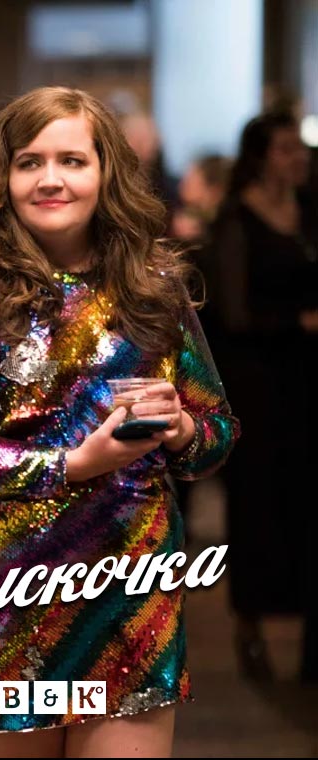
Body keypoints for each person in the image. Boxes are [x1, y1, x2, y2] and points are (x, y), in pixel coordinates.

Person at [0, 86, 240, 758]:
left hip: (128, 588)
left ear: (106, 172)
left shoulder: (151, 282)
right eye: (30, 162)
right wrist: (73, 465)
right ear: (3, 175)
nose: (50, 178)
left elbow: (216, 428)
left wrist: (182, 431)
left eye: (72, 160)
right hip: (1, 592)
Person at [208, 111, 318, 682]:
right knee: (259, 505)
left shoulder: (309, 208)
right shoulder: (237, 219)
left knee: (306, 505)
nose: (298, 158)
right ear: (259, 157)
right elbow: (234, 312)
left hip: (306, 379)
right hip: (259, 383)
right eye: (285, 149)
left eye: (299, 147)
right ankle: (249, 623)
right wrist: (299, 321)